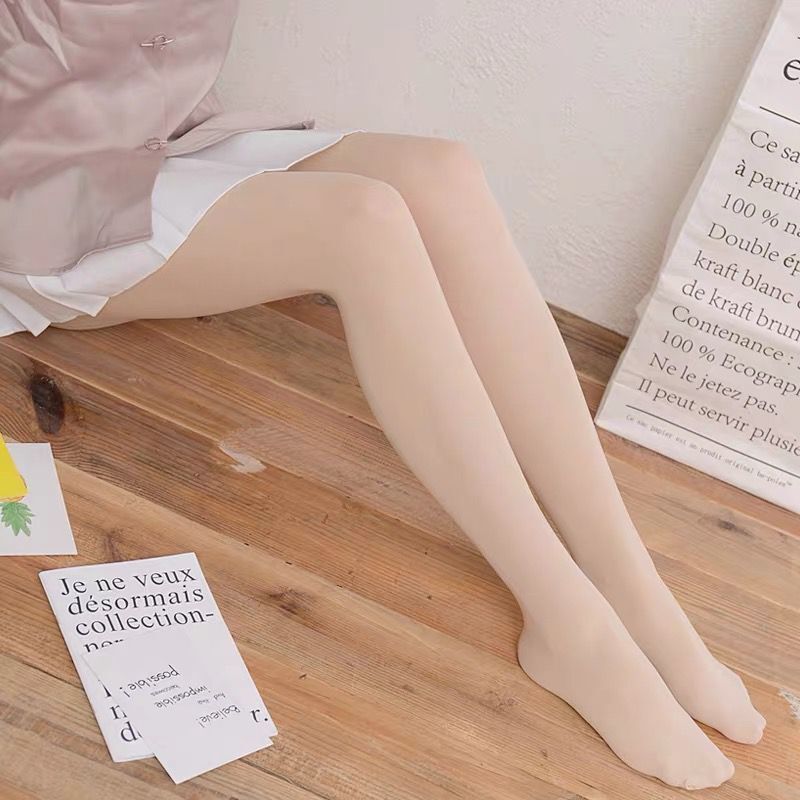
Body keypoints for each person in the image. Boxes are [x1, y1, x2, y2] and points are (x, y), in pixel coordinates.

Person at [0, 1, 764, 789]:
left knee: (441, 173)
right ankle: (572, 627)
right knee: (362, 223)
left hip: (165, 139)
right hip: (40, 202)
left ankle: (629, 585)